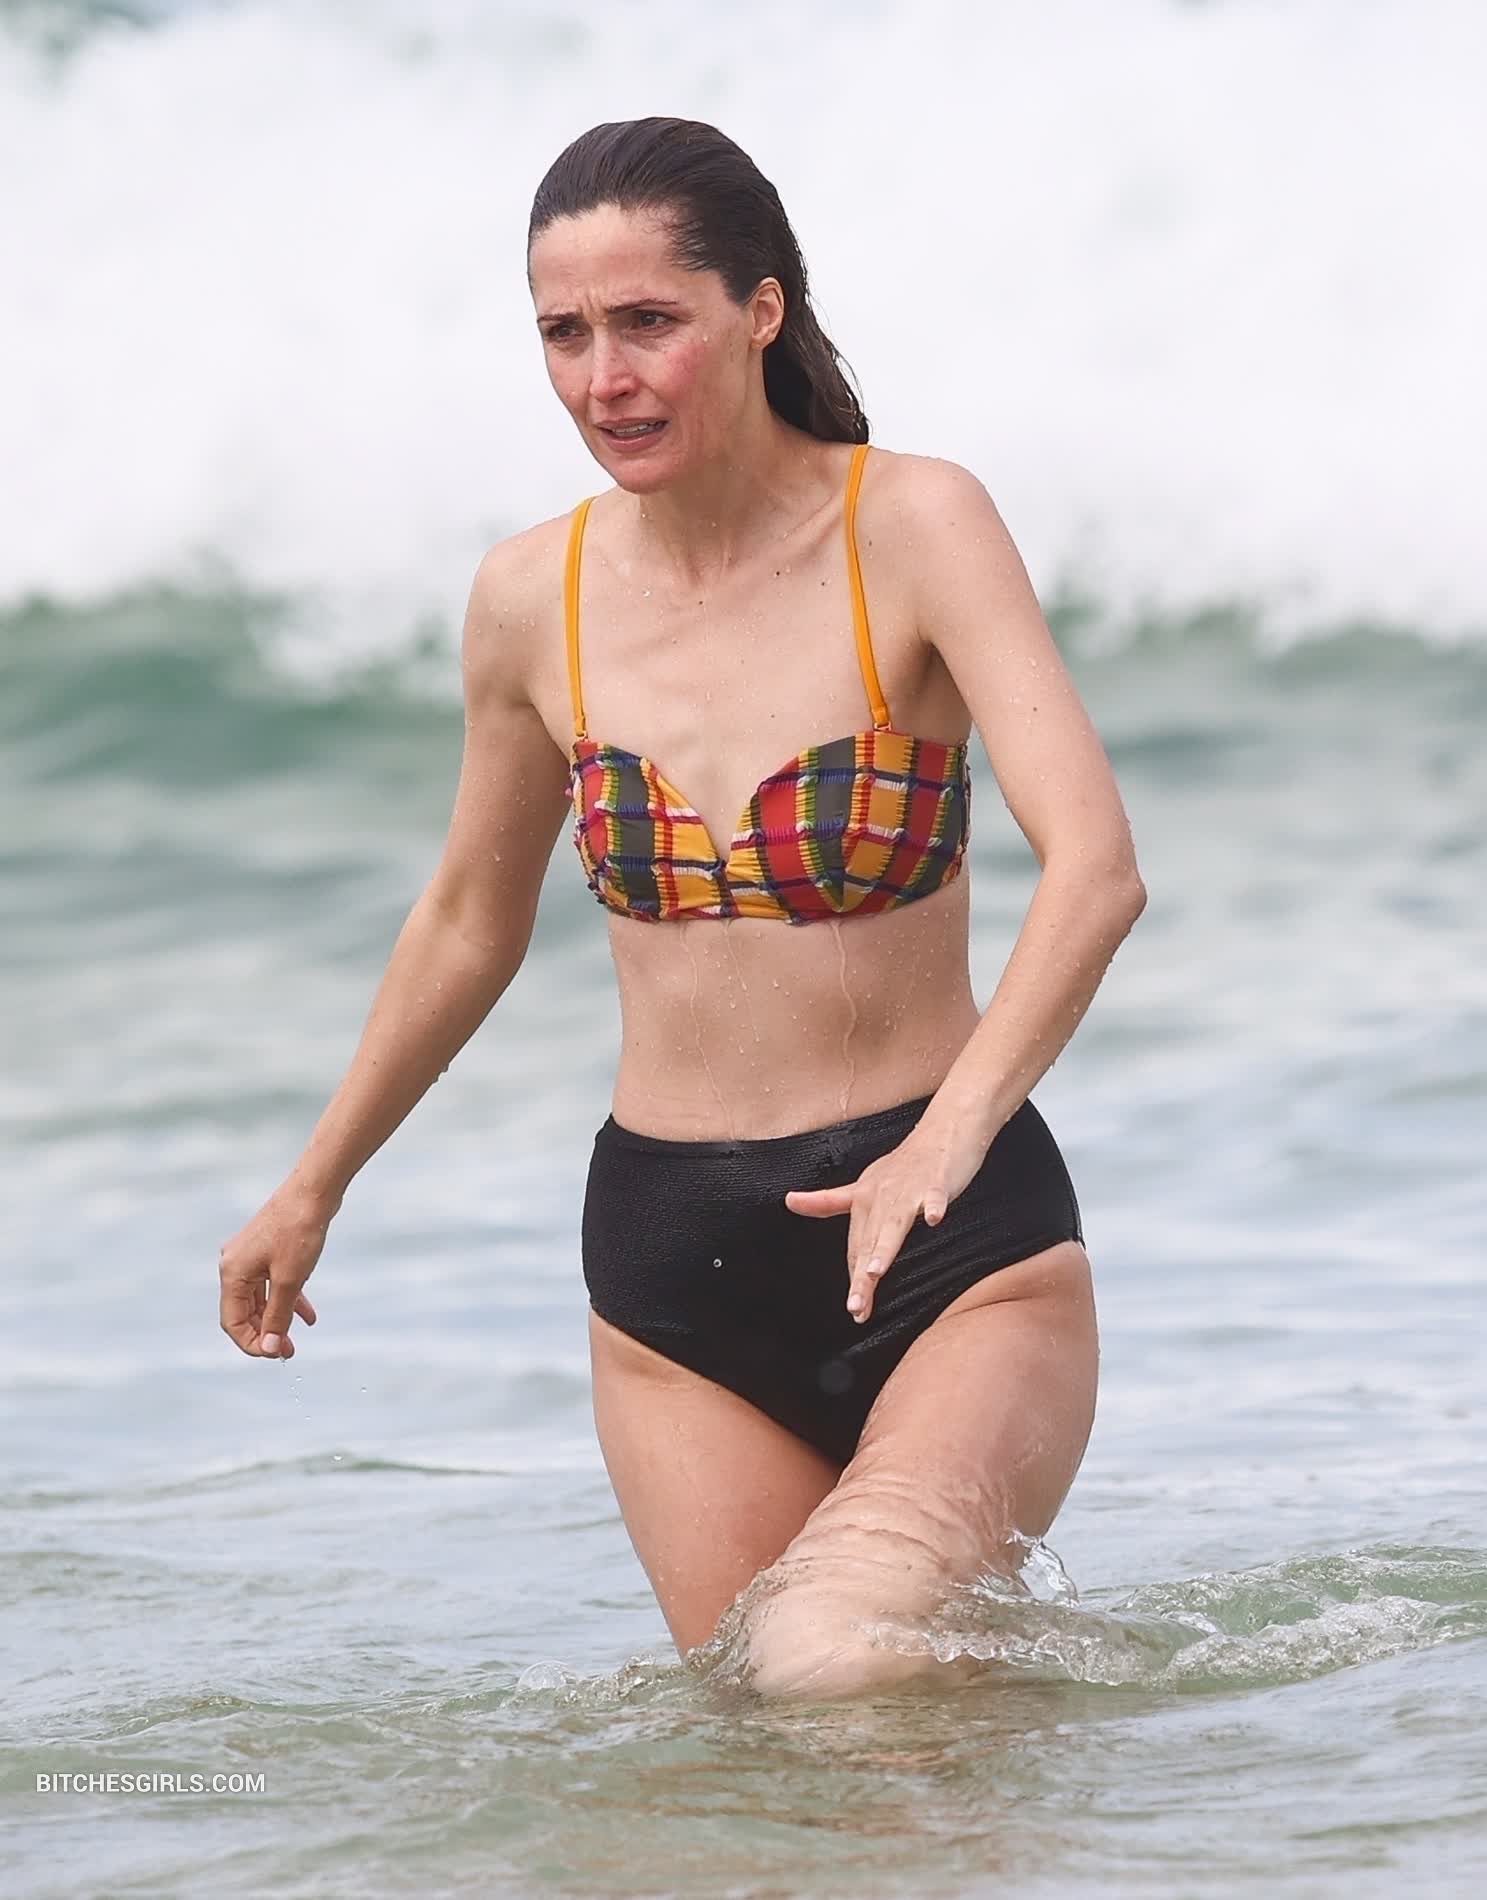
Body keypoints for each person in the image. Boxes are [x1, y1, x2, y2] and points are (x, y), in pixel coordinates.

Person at [218, 117, 1146, 1702]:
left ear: (761, 309)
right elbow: (469, 920)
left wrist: (946, 1141)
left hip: (953, 1249)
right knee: (780, 1772)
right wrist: (314, 1183)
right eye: (565, 335)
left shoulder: (915, 526)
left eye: (649, 321)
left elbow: (1097, 869)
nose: (606, 379)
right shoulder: (533, 597)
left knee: (837, 1660)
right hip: (670, 1284)